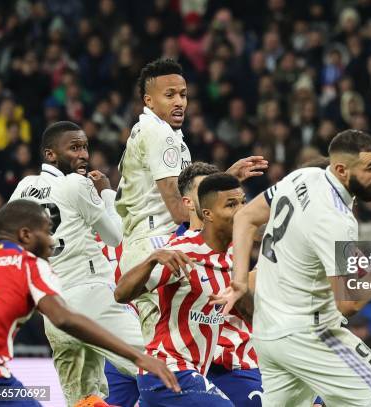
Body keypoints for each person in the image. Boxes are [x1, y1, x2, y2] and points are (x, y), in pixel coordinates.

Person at [212, 130, 371, 406]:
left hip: (270, 335)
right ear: (341, 170)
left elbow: (246, 217)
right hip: (312, 334)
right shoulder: (336, 221)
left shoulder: (303, 177)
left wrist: (239, 280)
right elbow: (348, 304)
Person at [0, 121, 144, 406]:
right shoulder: (78, 184)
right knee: (157, 366)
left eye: (84, 147)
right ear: (50, 154)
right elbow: (115, 236)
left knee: (83, 399)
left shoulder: (25, 186)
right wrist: (106, 191)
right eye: (74, 147)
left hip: (54, 312)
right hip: (93, 299)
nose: (83, 154)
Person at [115, 58, 266, 344]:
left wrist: (222, 178)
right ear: (149, 100)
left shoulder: (154, 131)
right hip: (157, 242)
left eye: (183, 95)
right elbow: (178, 209)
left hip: (147, 242)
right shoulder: (160, 134)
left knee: (182, 337)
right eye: (169, 95)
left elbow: (182, 195)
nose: (179, 102)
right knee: (166, 345)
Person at [0, 200, 178, 407]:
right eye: (46, 232)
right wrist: (137, 356)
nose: (52, 241)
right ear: (26, 235)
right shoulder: (31, 266)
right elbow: (64, 319)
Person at [115, 173, 247, 405]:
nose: (241, 210)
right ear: (207, 214)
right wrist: (152, 259)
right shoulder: (182, 251)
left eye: (243, 202)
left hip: (193, 371)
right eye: (231, 205)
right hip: (169, 369)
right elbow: (121, 294)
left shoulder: (235, 253)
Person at [177, 162, 263, 406]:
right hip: (201, 365)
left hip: (247, 358)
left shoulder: (240, 244)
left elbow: (351, 303)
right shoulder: (173, 250)